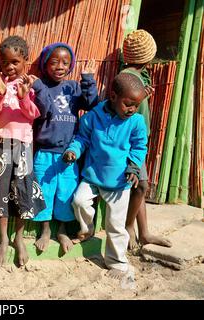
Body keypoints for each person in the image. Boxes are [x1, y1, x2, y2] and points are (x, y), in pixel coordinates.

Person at [64, 72, 148, 279]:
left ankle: (117, 263)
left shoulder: (136, 122)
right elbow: (82, 138)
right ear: (113, 97)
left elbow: (139, 146)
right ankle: (88, 229)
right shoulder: (93, 116)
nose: (132, 109)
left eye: (136, 105)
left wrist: (134, 167)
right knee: (79, 201)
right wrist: (73, 150)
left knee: (116, 225)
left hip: (121, 181)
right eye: (128, 104)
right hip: (92, 175)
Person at [30, 43, 98, 254]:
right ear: (44, 64)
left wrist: (87, 79)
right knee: (44, 192)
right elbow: (43, 113)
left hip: (69, 154)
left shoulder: (74, 87)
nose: (60, 66)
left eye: (65, 62)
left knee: (66, 194)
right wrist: (39, 88)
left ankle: (62, 230)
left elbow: (92, 104)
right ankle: (45, 230)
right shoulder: (40, 86)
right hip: (45, 152)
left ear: (71, 66)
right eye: (54, 62)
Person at [0, 35, 46, 268]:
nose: (9, 67)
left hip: (23, 143)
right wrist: (1, 93)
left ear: (25, 61)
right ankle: (3, 240)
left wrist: (23, 98)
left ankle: (18, 238)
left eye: (15, 62)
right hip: (2, 142)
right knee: (2, 189)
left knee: (23, 189)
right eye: (5, 63)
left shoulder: (31, 83)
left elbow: (34, 115)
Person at [121, 29, 172, 250]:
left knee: (140, 185)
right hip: (130, 140)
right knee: (141, 184)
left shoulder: (138, 76)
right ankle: (129, 225)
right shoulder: (127, 78)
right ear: (149, 56)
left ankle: (145, 233)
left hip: (138, 138)